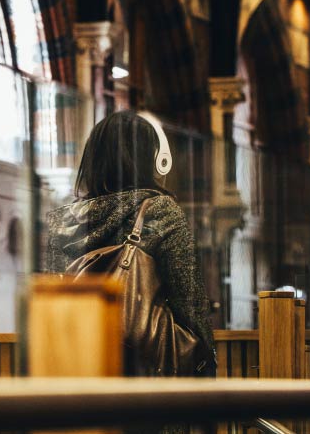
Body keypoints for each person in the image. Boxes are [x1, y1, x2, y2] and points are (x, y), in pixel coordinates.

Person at [46, 110, 215, 376]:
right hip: (145, 370)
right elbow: (188, 299)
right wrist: (206, 358)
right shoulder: (158, 210)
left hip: (82, 367)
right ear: (148, 158)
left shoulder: (62, 223)